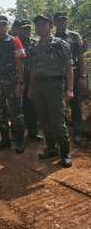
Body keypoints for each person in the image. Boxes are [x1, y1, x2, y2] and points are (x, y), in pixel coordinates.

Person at [30, 15, 73, 168]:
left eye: (43, 24)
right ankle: (51, 148)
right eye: (38, 25)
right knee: (44, 119)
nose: (39, 27)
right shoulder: (34, 46)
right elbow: (33, 69)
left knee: (58, 121)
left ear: (50, 26)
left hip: (54, 87)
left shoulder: (60, 44)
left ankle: (65, 152)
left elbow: (69, 66)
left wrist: (70, 89)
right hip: (39, 87)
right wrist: (31, 88)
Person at [0, 15, 27, 153]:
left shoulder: (15, 41)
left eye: (5, 24)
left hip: (12, 84)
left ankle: (20, 141)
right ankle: (5, 139)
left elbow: (21, 63)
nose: (2, 27)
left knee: (16, 113)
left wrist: (20, 82)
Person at [54, 11, 87, 145]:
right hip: (57, 77)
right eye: (60, 20)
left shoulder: (75, 36)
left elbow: (81, 57)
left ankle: (78, 132)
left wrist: (83, 76)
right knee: (59, 106)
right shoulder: (52, 38)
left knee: (76, 105)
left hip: (74, 74)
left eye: (64, 20)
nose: (63, 22)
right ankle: (63, 133)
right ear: (55, 22)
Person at [17, 20, 43, 141]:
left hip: (34, 78)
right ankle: (16, 132)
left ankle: (33, 131)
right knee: (16, 106)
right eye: (24, 29)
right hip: (18, 79)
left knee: (32, 104)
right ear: (20, 30)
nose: (27, 31)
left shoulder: (35, 43)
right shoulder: (15, 43)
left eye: (29, 28)